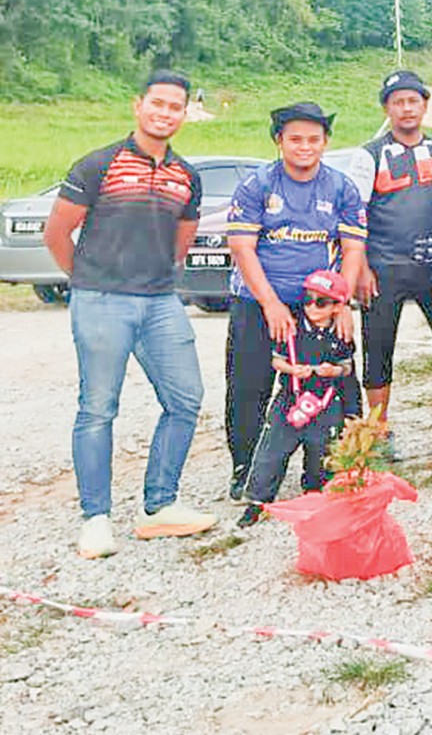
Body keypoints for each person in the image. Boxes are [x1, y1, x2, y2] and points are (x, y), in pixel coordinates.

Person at [44, 70, 217, 558]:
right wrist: (88, 280)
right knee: (98, 408)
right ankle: (95, 519)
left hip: (161, 301)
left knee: (185, 400)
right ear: (138, 105)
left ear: (185, 114)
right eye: (157, 104)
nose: (165, 113)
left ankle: (159, 506)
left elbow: (180, 244)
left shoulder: (187, 176)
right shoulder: (99, 165)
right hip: (100, 300)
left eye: (175, 107)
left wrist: (153, 279)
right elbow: (56, 234)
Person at [225, 102, 366, 501]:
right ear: (279, 141)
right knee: (249, 385)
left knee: (329, 382)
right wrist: (270, 304)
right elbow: (242, 247)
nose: (305, 147)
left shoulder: (341, 187)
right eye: (295, 139)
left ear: (325, 142)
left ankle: (330, 466)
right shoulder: (258, 185)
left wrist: (341, 306)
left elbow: (353, 249)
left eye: (313, 139)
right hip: (258, 302)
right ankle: (246, 469)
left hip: (318, 306)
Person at [343, 70, 432, 452]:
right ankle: (378, 431)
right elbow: (353, 212)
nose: (406, 108)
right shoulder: (368, 154)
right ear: (386, 108)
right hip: (385, 265)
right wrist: (359, 267)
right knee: (378, 348)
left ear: (424, 104)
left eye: (413, 100)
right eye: (398, 102)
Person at [237, 270, 361, 527]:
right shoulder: (292, 328)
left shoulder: (340, 333)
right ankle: (257, 500)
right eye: (307, 299)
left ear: (338, 307)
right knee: (272, 451)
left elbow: (347, 366)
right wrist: (293, 370)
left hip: (326, 402)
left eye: (321, 302)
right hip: (291, 398)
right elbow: (276, 360)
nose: (312, 307)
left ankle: (317, 493)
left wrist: (334, 370)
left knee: (323, 450)